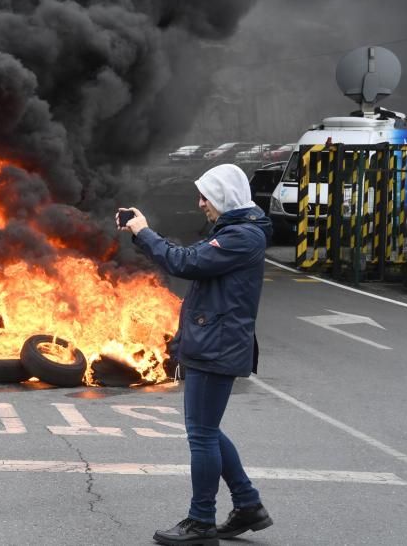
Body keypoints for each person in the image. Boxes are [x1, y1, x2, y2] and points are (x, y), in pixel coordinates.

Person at [117, 163, 274, 546]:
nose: (201, 203)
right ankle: (248, 504)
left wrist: (143, 232)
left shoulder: (241, 237)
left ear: (222, 197)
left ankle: (201, 521)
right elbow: (191, 257)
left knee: (201, 434)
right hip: (212, 340)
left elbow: (183, 262)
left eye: (206, 195)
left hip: (217, 346)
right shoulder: (234, 233)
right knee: (207, 430)